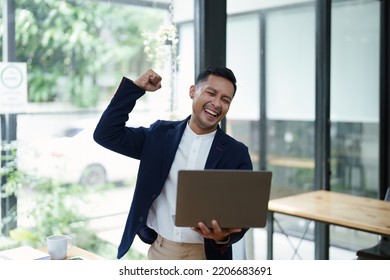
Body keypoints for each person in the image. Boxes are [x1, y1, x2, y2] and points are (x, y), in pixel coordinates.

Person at [93, 67, 253, 260]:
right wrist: (135, 88)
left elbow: (243, 216)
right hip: (161, 251)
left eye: (225, 99)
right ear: (193, 91)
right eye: (211, 93)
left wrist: (222, 237)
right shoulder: (159, 135)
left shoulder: (236, 153)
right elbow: (106, 134)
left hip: (207, 256)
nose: (217, 104)